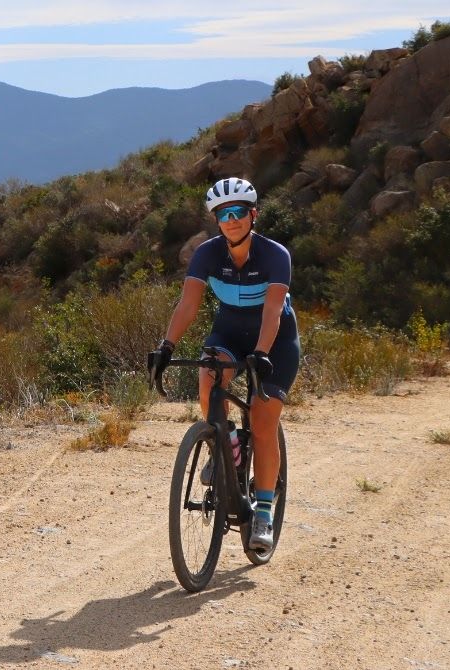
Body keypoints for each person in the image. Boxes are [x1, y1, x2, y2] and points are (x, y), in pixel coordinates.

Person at [150, 177, 299, 553]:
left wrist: (262, 352)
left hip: (275, 340)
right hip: (230, 332)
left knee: (264, 423)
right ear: (216, 220)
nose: (231, 220)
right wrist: (166, 347)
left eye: (238, 212)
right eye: (223, 214)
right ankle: (225, 442)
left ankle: (263, 512)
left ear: (252, 215)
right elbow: (187, 305)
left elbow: (271, 310)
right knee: (208, 376)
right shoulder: (207, 254)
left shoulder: (274, 255)